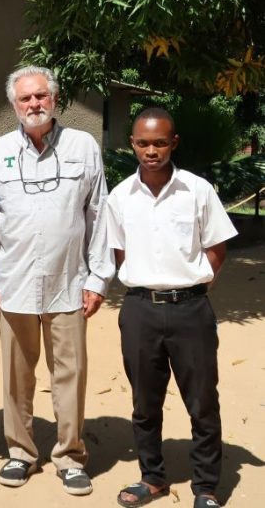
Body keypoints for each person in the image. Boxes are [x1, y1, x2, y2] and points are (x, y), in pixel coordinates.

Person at [0, 65, 113, 496]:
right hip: (13, 284)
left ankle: (70, 456)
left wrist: (98, 277)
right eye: (25, 99)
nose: (33, 104)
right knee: (17, 376)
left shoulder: (83, 146)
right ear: (13, 105)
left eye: (41, 96)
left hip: (69, 283)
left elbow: (98, 213)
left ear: (54, 99)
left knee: (70, 374)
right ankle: (20, 453)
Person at [107, 108, 237, 508]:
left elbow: (217, 247)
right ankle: (153, 477)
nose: (151, 150)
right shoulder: (120, 196)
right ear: (132, 144)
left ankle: (206, 487)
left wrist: (192, 284)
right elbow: (119, 252)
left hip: (190, 311)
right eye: (143, 143)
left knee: (201, 401)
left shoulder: (197, 190)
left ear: (173, 143)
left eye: (160, 142)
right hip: (140, 310)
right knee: (145, 403)